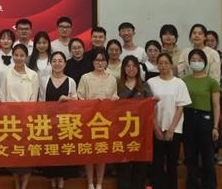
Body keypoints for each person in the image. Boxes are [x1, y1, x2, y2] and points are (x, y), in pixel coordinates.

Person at [147, 53, 191, 189]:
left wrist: (171, 129)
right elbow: (148, 107)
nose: (163, 66)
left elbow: (180, 107)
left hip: (175, 129)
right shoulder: (151, 82)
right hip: (156, 128)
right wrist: (156, 129)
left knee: (172, 163)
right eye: (160, 63)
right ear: (157, 65)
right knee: (157, 163)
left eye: (166, 63)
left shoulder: (179, 83)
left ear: (171, 64)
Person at [76, 48, 118, 189]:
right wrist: (92, 103)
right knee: (89, 152)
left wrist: (113, 100)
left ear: (106, 62)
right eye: (97, 60)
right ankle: (90, 182)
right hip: (89, 120)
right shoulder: (85, 78)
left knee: (101, 152)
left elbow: (115, 97)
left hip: (105, 121)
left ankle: (99, 183)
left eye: (103, 60)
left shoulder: (112, 78)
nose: (100, 63)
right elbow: (80, 98)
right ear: (92, 62)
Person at [0, 44, 38, 189]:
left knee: (26, 152)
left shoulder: (33, 75)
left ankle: (24, 185)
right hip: (11, 119)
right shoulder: (6, 73)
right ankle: (16, 183)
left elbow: (34, 99)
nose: (19, 58)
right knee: (14, 151)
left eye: (22, 55)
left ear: (26, 57)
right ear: (12, 56)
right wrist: (8, 114)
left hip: (27, 119)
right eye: (16, 55)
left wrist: (26, 114)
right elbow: (3, 95)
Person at [182, 49, 220, 189]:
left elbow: (216, 105)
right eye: (193, 60)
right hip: (188, 118)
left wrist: (215, 127)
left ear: (205, 62)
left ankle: (209, 184)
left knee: (207, 155)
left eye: (199, 60)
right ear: (189, 62)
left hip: (205, 119)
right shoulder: (184, 81)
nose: (196, 62)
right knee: (190, 154)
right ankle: (192, 184)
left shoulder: (211, 82)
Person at [40, 51, 77, 189]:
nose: (57, 63)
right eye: (54, 61)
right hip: (49, 122)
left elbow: (76, 101)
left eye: (60, 61)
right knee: (51, 151)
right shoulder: (44, 80)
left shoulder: (71, 81)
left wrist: (68, 99)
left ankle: (61, 181)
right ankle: (52, 180)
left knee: (62, 152)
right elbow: (41, 101)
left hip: (65, 123)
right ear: (50, 63)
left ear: (65, 63)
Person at [116, 55, 153, 189]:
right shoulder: (118, 86)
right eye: (128, 66)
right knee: (124, 167)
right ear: (123, 68)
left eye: (134, 66)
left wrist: (154, 101)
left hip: (140, 132)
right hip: (122, 132)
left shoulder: (144, 86)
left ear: (138, 68)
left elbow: (150, 107)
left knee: (140, 167)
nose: (131, 69)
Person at [206, 30, 222, 166]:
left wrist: (212, 91)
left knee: (217, 124)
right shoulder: (200, 55)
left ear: (216, 42)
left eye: (212, 40)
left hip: (218, 95)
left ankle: (215, 153)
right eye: (207, 40)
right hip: (202, 95)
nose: (210, 43)